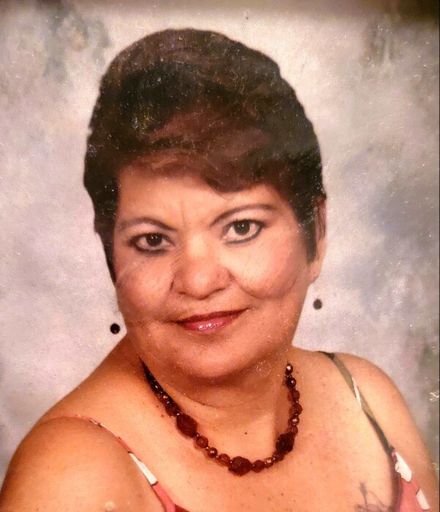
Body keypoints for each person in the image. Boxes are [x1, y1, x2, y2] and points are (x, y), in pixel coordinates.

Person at [0, 29, 437, 512]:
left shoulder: (366, 397)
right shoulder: (71, 477)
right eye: (152, 241)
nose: (198, 281)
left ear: (316, 233)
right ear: (112, 257)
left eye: (241, 228)